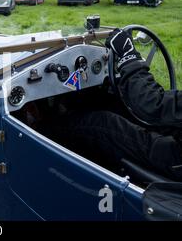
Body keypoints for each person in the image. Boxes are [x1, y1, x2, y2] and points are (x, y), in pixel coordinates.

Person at [41, 29, 182, 181]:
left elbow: (152, 104)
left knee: (102, 124)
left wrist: (128, 56)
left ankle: (42, 131)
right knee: (116, 105)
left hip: (175, 160)